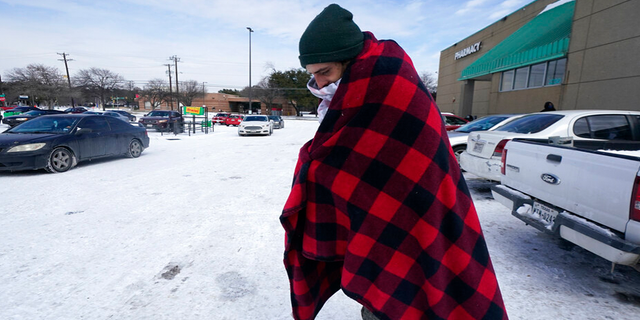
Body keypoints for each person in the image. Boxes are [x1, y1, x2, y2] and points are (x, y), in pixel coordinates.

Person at [280, 4, 508, 320]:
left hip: (421, 214)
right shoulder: (352, 95)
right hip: (379, 224)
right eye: (312, 75)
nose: (318, 85)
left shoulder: (388, 84)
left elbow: (388, 159)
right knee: (383, 296)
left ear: (350, 62)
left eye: (325, 72)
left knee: (418, 295)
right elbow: (343, 159)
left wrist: (317, 165)